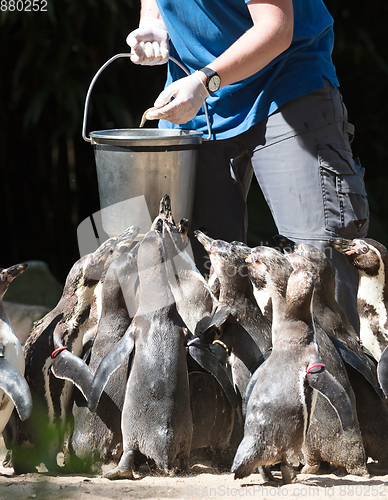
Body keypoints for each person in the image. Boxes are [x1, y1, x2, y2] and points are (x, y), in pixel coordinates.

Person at [126, 0, 369, 335]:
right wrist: (154, 23)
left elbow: (276, 28)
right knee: (194, 287)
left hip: (285, 82)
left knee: (319, 275)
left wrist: (206, 81)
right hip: (190, 96)